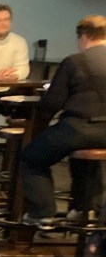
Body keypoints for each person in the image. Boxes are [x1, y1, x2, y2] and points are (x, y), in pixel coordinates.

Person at [21, 14, 106, 226]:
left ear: (84, 37)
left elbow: (52, 103)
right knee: (84, 158)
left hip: (79, 128)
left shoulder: (74, 61)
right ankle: (85, 210)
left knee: (32, 158)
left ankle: (42, 213)